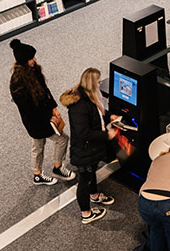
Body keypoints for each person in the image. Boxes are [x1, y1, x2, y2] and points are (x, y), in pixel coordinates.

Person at [9, 39, 75, 186]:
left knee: (38, 145)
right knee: (62, 140)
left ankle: (37, 174)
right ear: (24, 61)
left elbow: (45, 91)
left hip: (43, 116)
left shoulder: (34, 70)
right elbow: (30, 110)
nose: (35, 59)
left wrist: (54, 108)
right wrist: (50, 118)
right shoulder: (18, 83)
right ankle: (57, 167)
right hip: (37, 121)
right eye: (32, 58)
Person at [60, 68, 118, 224]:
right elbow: (84, 132)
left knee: (91, 173)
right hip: (84, 151)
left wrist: (108, 116)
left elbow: (96, 114)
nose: (100, 84)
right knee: (84, 181)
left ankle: (95, 195)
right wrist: (107, 135)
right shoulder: (79, 106)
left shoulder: (88, 96)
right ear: (92, 84)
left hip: (91, 150)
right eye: (98, 82)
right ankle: (86, 213)